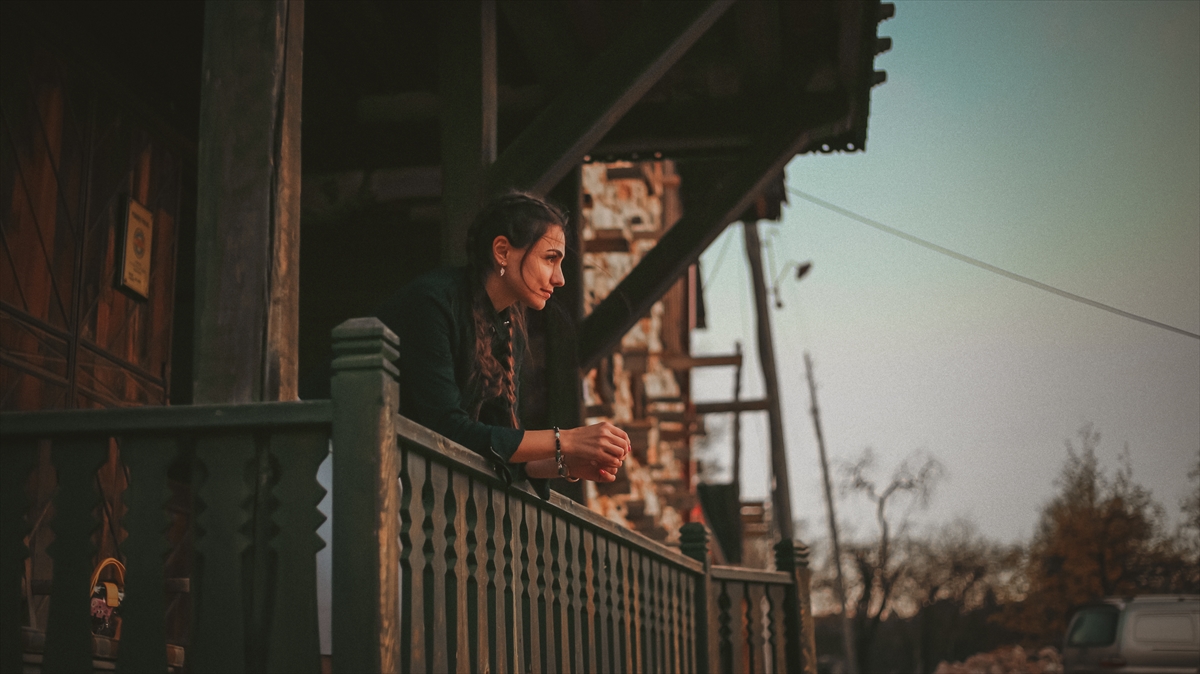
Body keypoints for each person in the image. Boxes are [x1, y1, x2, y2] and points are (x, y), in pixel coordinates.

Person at [374, 192, 629, 495]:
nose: (560, 278)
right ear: (502, 252)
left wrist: (564, 464)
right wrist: (567, 440)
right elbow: (447, 430)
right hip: (355, 467)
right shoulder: (433, 304)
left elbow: (493, 445)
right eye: (550, 259)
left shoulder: (509, 328)